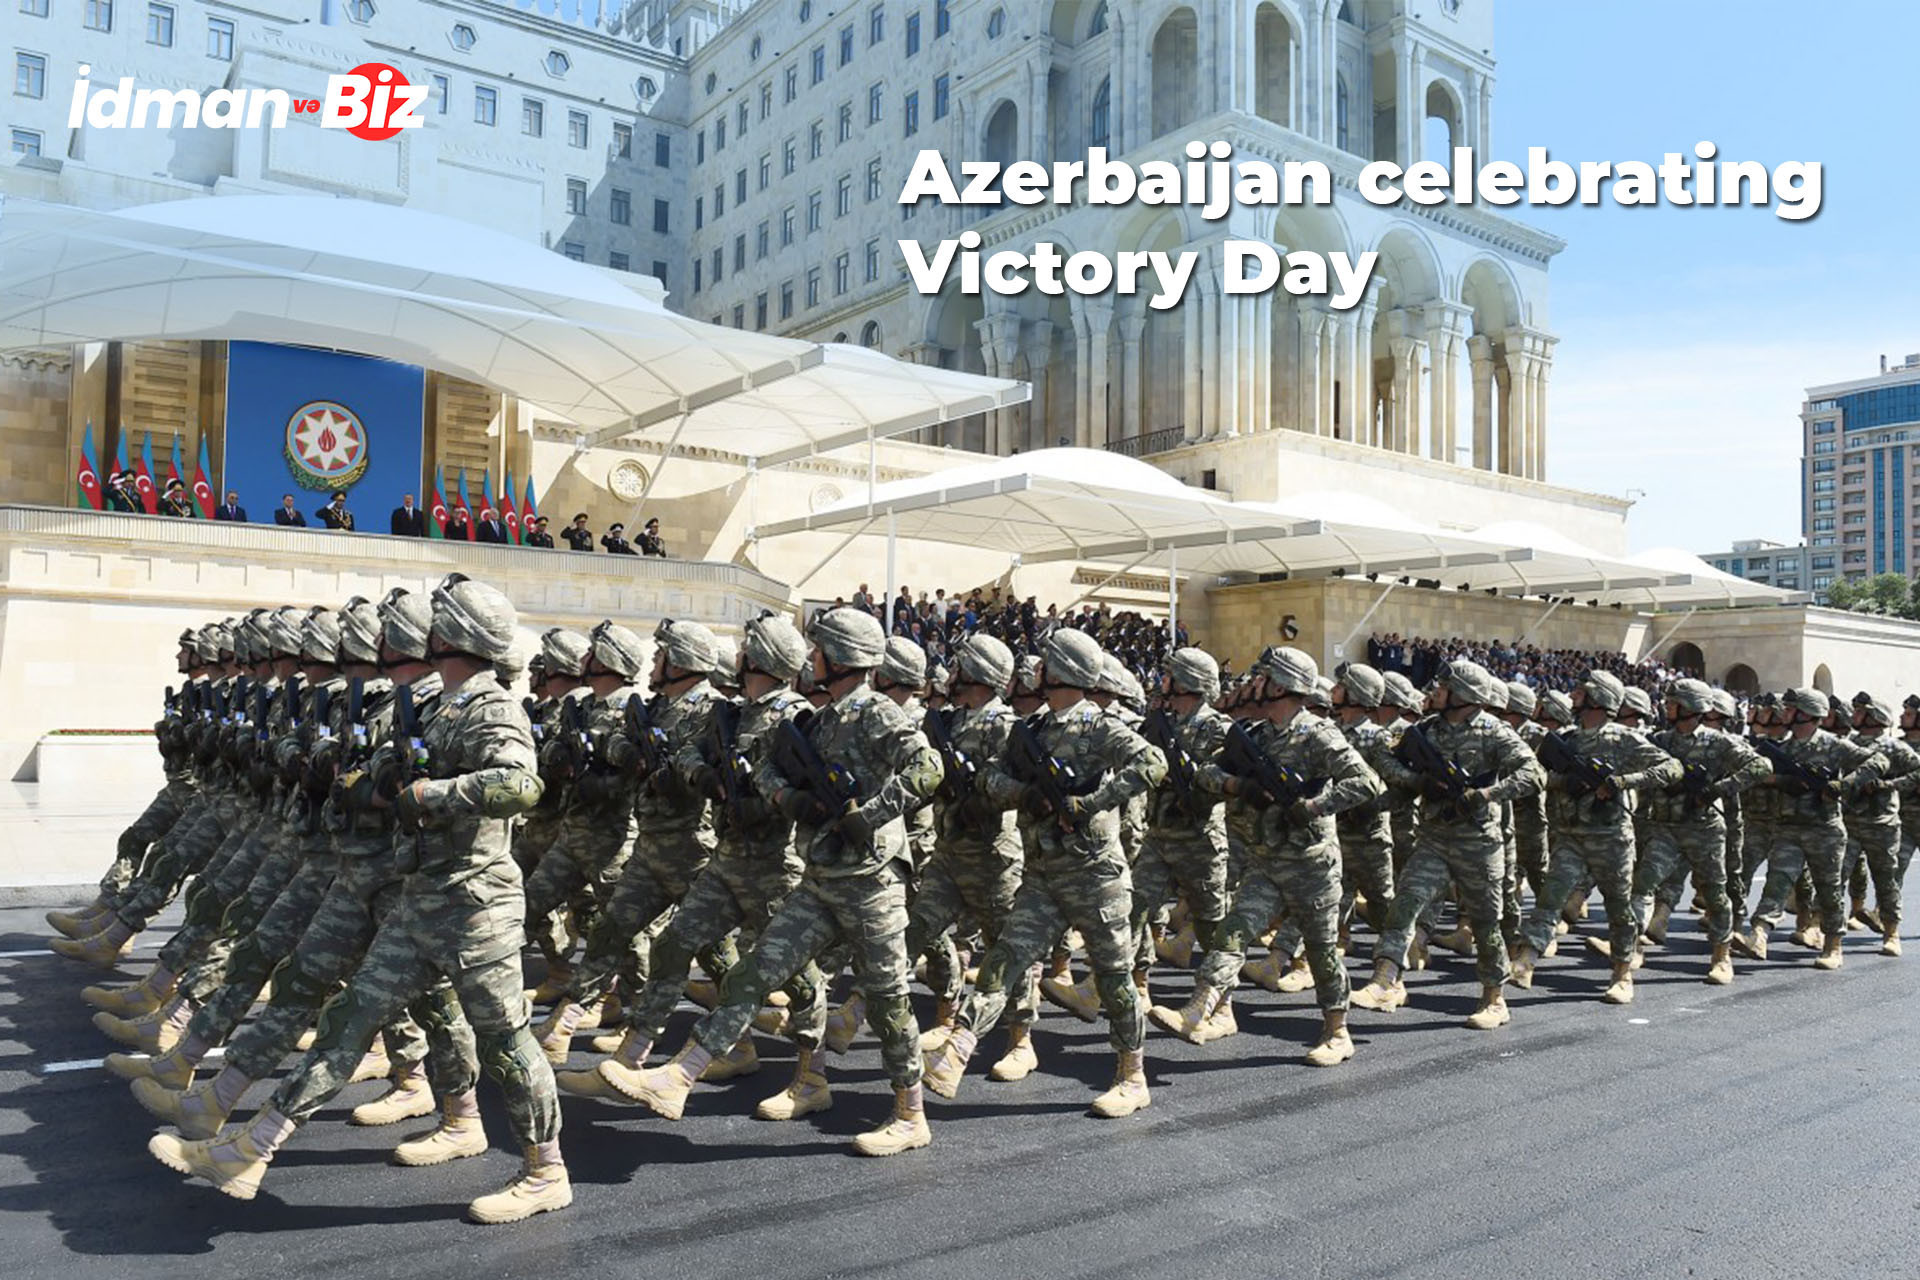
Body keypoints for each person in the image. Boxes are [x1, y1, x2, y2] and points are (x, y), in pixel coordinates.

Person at [147, 572, 568, 1224]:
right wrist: (371, 782)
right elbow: (381, 775)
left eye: (437, 621)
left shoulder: (490, 707)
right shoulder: (437, 706)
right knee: (347, 1020)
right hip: (422, 896)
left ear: (452, 635)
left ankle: (547, 1172)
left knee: (506, 1042)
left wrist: (431, 796)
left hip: (477, 905)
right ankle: (251, 1149)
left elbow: (520, 783)